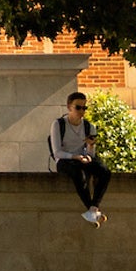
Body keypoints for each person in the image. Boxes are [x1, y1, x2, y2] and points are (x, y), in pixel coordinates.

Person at [50, 91, 112, 225]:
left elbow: (91, 154)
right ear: (69, 107)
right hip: (65, 160)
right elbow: (57, 152)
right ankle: (93, 210)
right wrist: (75, 157)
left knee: (104, 171)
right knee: (79, 175)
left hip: (81, 159)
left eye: (84, 108)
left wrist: (89, 150)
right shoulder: (59, 124)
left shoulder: (89, 127)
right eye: (78, 107)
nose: (82, 111)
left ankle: (93, 208)